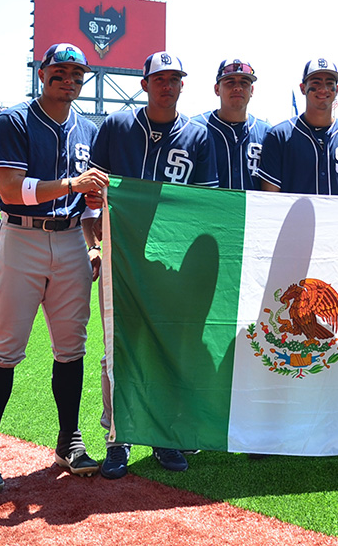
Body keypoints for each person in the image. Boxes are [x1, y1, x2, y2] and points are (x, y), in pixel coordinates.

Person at [0, 43, 110, 494]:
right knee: (6, 348)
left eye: (77, 72)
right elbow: (12, 190)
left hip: (73, 238)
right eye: (60, 70)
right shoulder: (14, 119)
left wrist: (94, 244)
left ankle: (68, 440)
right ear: (42, 73)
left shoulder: (88, 129)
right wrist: (73, 184)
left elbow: (91, 201)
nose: (69, 78)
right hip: (22, 237)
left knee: (71, 346)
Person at [90, 51, 218, 480]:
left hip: (171, 262)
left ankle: (165, 435)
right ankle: (118, 437)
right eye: (159, 79)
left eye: (174, 79)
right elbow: (93, 196)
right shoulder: (115, 126)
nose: (167, 85)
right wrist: (95, 244)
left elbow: (204, 206)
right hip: (121, 257)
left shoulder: (198, 135)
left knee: (167, 348)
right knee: (118, 349)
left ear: (183, 85)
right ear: (144, 84)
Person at [257, 58, 338, 195]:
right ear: (302, 88)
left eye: (329, 83)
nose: (323, 89)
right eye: (316, 83)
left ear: (337, 89)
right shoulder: (279, 136)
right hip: (294, 217)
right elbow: (270, 199)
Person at [191, 59, 271, 190]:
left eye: (244, 83)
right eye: (230, 82)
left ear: (252, 90)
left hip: (251, 210)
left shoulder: (267, 133)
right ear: (217, 89)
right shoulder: (196, 130)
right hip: (207, 209)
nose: (238, 87)